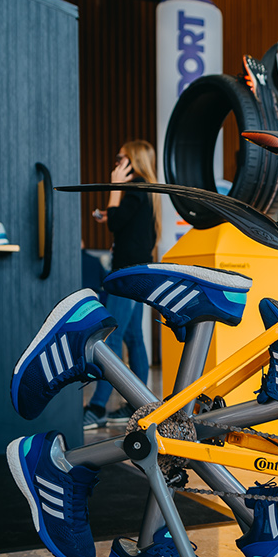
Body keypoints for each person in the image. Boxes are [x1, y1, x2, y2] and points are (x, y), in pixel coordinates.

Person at [84, 140, 159, 428]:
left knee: (111, 337)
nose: (116, 165)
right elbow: (122, 222)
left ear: (133, 162)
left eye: (120, 159)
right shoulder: (144, 191)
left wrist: (114, 188)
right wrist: (109, 213)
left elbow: (116, 222)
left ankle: (98, 407)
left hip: (126, 274)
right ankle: (141, 405)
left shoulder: (135, 188)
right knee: (132, 337)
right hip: (137, 271)